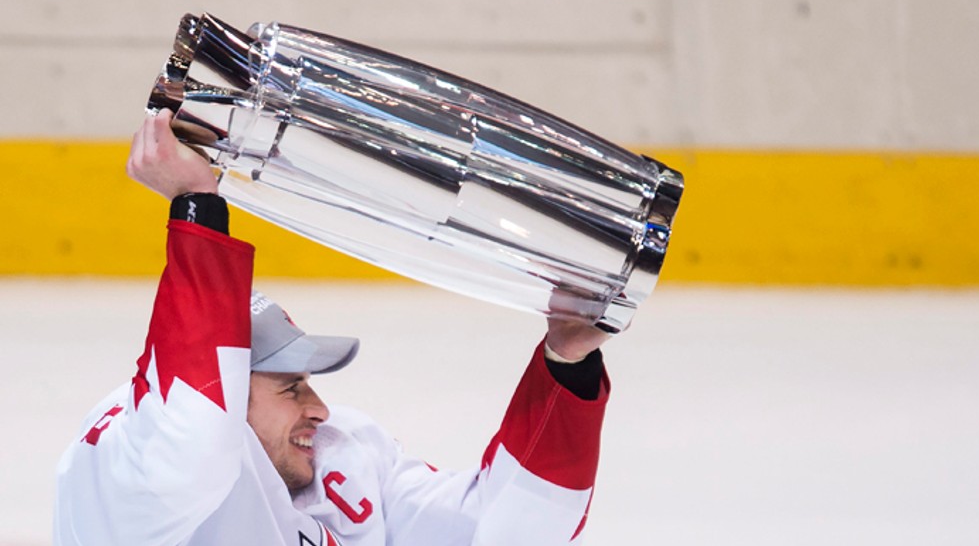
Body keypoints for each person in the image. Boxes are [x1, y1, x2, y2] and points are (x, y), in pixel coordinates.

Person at [54, 110, 613, 546]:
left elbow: (501, 531)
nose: (318, 408)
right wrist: (195, 206)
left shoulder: (344, 452)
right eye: (290, 386)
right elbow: (191, 437)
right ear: (224, 394)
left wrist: (569, 361)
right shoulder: (125, 465)